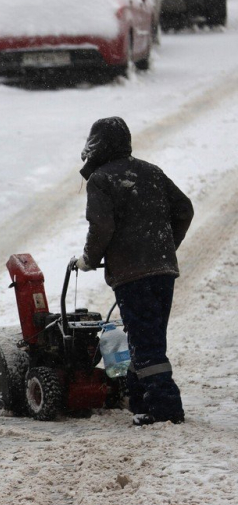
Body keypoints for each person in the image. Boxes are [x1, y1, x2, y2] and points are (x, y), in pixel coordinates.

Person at [74, 117, 194, 426]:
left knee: (145, 338)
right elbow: (184, 209)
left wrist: (89, 258)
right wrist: (165, 247)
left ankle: (166, 409)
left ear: (97, 145)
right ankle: (139, 399)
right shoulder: (151, 172)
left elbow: (101, 226)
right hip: (163, 270)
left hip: (132, 274)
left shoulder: (101, 179)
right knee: (148, 336)